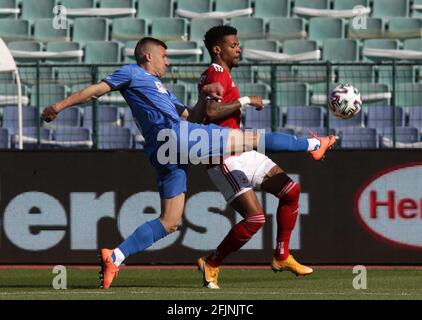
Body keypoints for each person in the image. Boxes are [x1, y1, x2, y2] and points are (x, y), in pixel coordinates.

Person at [41, 37, 336, 289]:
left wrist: (202, 97)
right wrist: (59, 105)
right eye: (164, 56)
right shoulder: (131, 72)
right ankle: (314, 145)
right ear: (148, 56)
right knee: (248, 139)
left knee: (170, 221)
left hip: (165, 148)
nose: (167, 62)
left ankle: (115, 256)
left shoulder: (162, 91)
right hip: (174, 138)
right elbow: (96, 90)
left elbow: (192, 117)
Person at [196, 25, 321, 289]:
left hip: (241, 149)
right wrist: (245, 101)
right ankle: (213, 262)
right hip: (223, 155)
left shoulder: (224, 74)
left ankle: (282, 255)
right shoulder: (215, 71)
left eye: (238, 44)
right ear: (217, 49)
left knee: (290, 191)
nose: (238, 48)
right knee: (255, 219)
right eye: (233, 45)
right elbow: (211, 110)